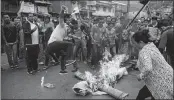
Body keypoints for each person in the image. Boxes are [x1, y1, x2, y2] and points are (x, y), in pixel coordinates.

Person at [131, 29, 173, 100]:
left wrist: (140, 76)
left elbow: (148, 68)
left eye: (134, 43)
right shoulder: (151, 46)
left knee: (143, 96)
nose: (134, 46)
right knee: (144, 94)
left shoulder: (144, 51)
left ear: (140, 42)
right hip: (166, 76)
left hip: (159, 80)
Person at [44, 6, 79, 74]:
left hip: (52, 47)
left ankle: (63, 69)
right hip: (53, 43)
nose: (69, 30)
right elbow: (61, 17)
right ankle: (70, 59)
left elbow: (70, 35)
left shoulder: (66, 30)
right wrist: (62, 10)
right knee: (70, 44)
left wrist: (76, 37)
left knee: (63, 54)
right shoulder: (62, 25)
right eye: (69, 28)